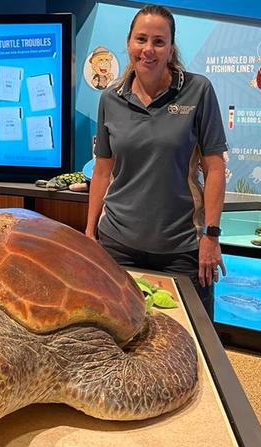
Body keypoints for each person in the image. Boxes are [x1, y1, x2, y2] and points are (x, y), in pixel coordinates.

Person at [85, 4, 228, 318]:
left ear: (171, 48)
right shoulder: (110, 99)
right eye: (141, 39)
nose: (148, 49)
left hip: (181, 249)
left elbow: (215, 168)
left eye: (158, 42)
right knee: (121, 339)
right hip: (118, 245)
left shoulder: (198, 91)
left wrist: (211, 236)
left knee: (189, 341)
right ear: (129, 43)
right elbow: (102, 171)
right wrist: (90, 234)